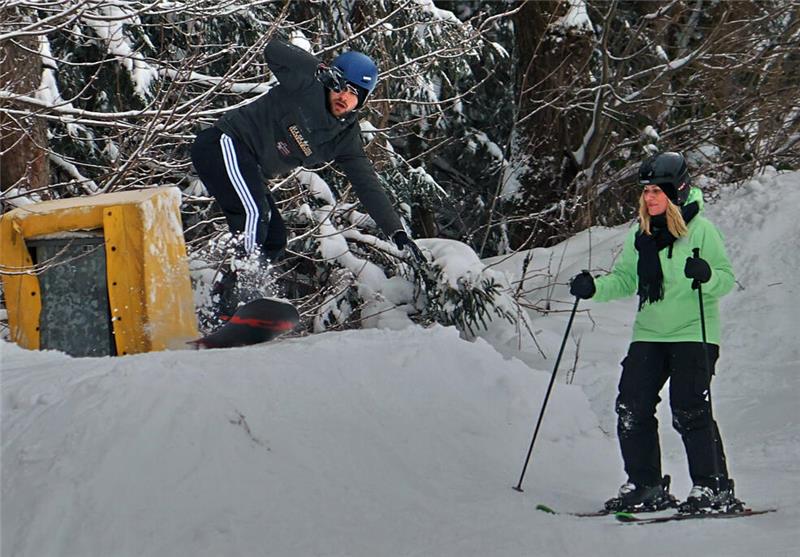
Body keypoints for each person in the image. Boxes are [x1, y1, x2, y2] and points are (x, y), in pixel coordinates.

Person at [191, 38, 423, 316]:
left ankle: (219, 306)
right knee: (254, 214)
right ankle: (240, 298)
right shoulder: (305, 84)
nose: (345, 97)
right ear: (330, 80)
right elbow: (273, 50)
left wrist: (396, 231)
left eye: (355, 94)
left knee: (274, 237)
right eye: (342, 86)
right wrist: (317, 68)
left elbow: (367, 184)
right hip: (223, 143)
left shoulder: (345, 138)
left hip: (249, 167)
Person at [569, 152, 742, 514]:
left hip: (694, 332)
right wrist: (593, 288)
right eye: (646, 191)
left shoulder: (702, 231)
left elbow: (726, 280)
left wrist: (707, 274)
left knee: (689, 408)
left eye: (657, 191)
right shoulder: (642, 233)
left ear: (677, 190)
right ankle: (645, 486)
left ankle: (713, 488)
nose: (649, 197)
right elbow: (625, 280)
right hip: (649, 332)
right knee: (631, 405)